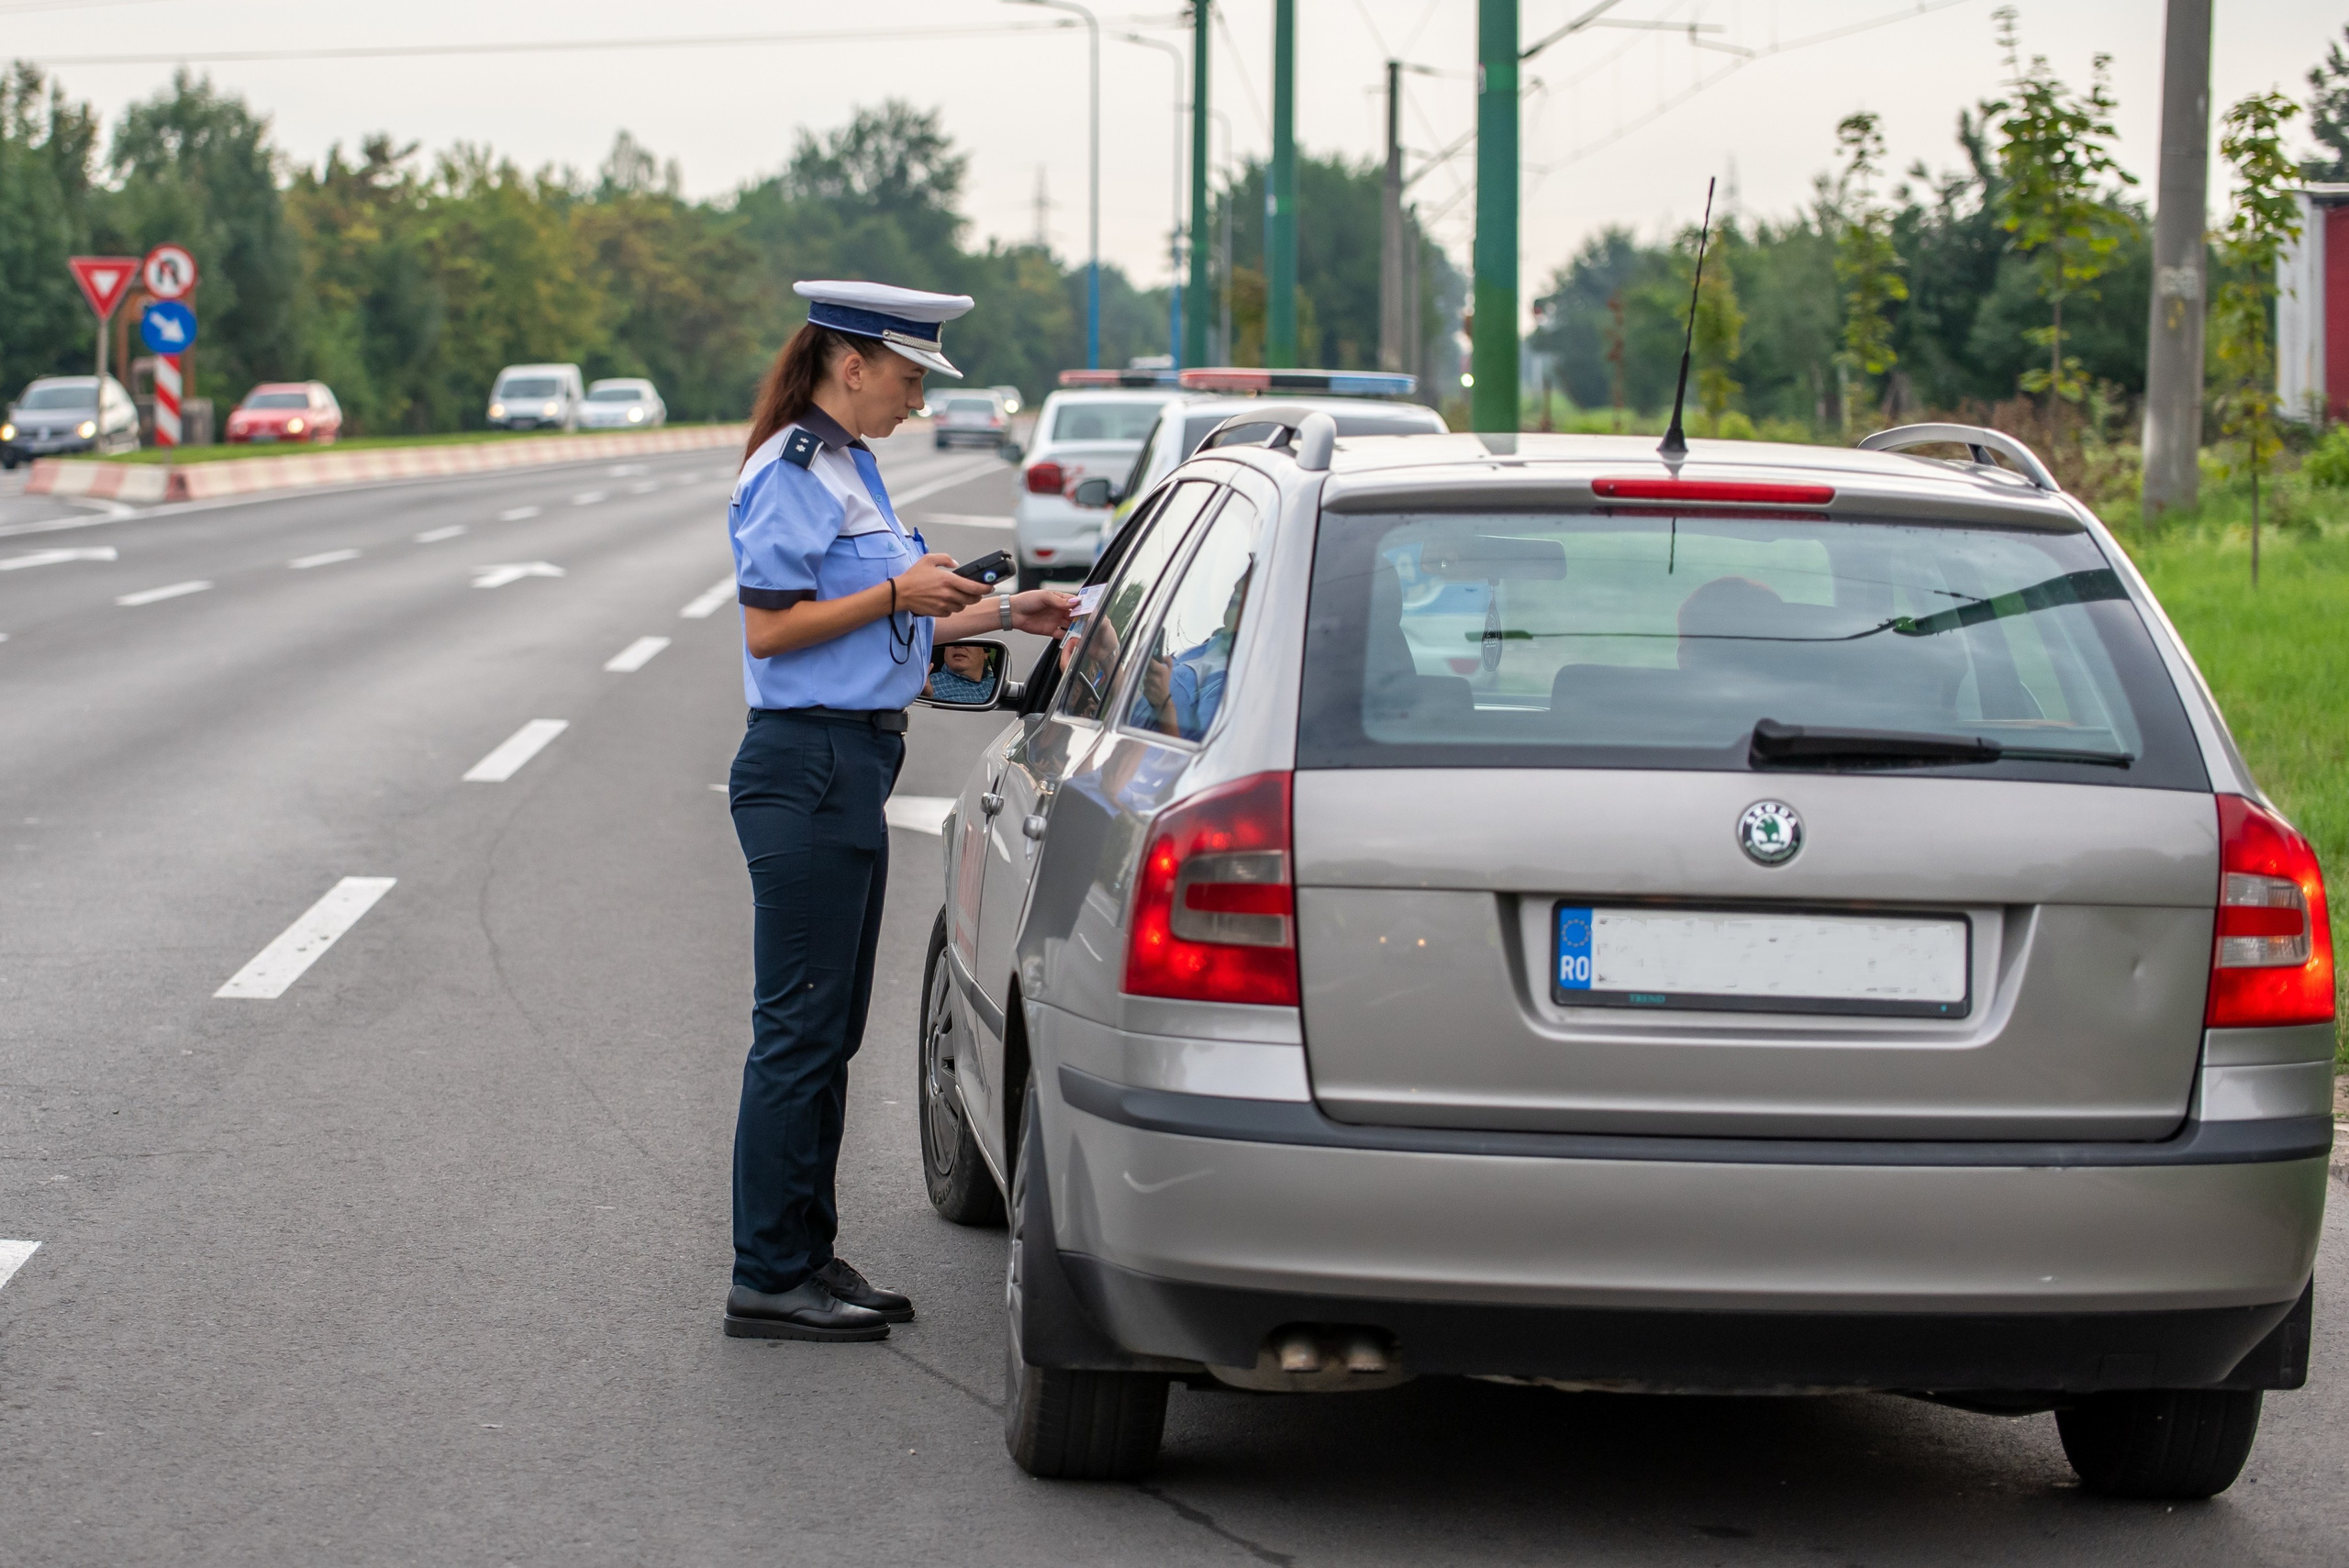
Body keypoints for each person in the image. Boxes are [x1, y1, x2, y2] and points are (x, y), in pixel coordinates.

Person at [723, 280, 1074, 1342]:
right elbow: (772, 633)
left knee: (827, 1029)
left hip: (852, 758)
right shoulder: (791, 470)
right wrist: (893, 595)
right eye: (911, 378)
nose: (916, 401)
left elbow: (891, 631)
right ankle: (766, 1273)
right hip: (807, 762)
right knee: (795, 1030)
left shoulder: (849, 467)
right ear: (851, 364)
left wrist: (1012, 609)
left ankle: (806, 1253)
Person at [922, 642, 996, 704]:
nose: (958, 645)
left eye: (969, 639)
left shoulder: (998, 685)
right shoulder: (927, 686)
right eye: (952, 640)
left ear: (986, 652)